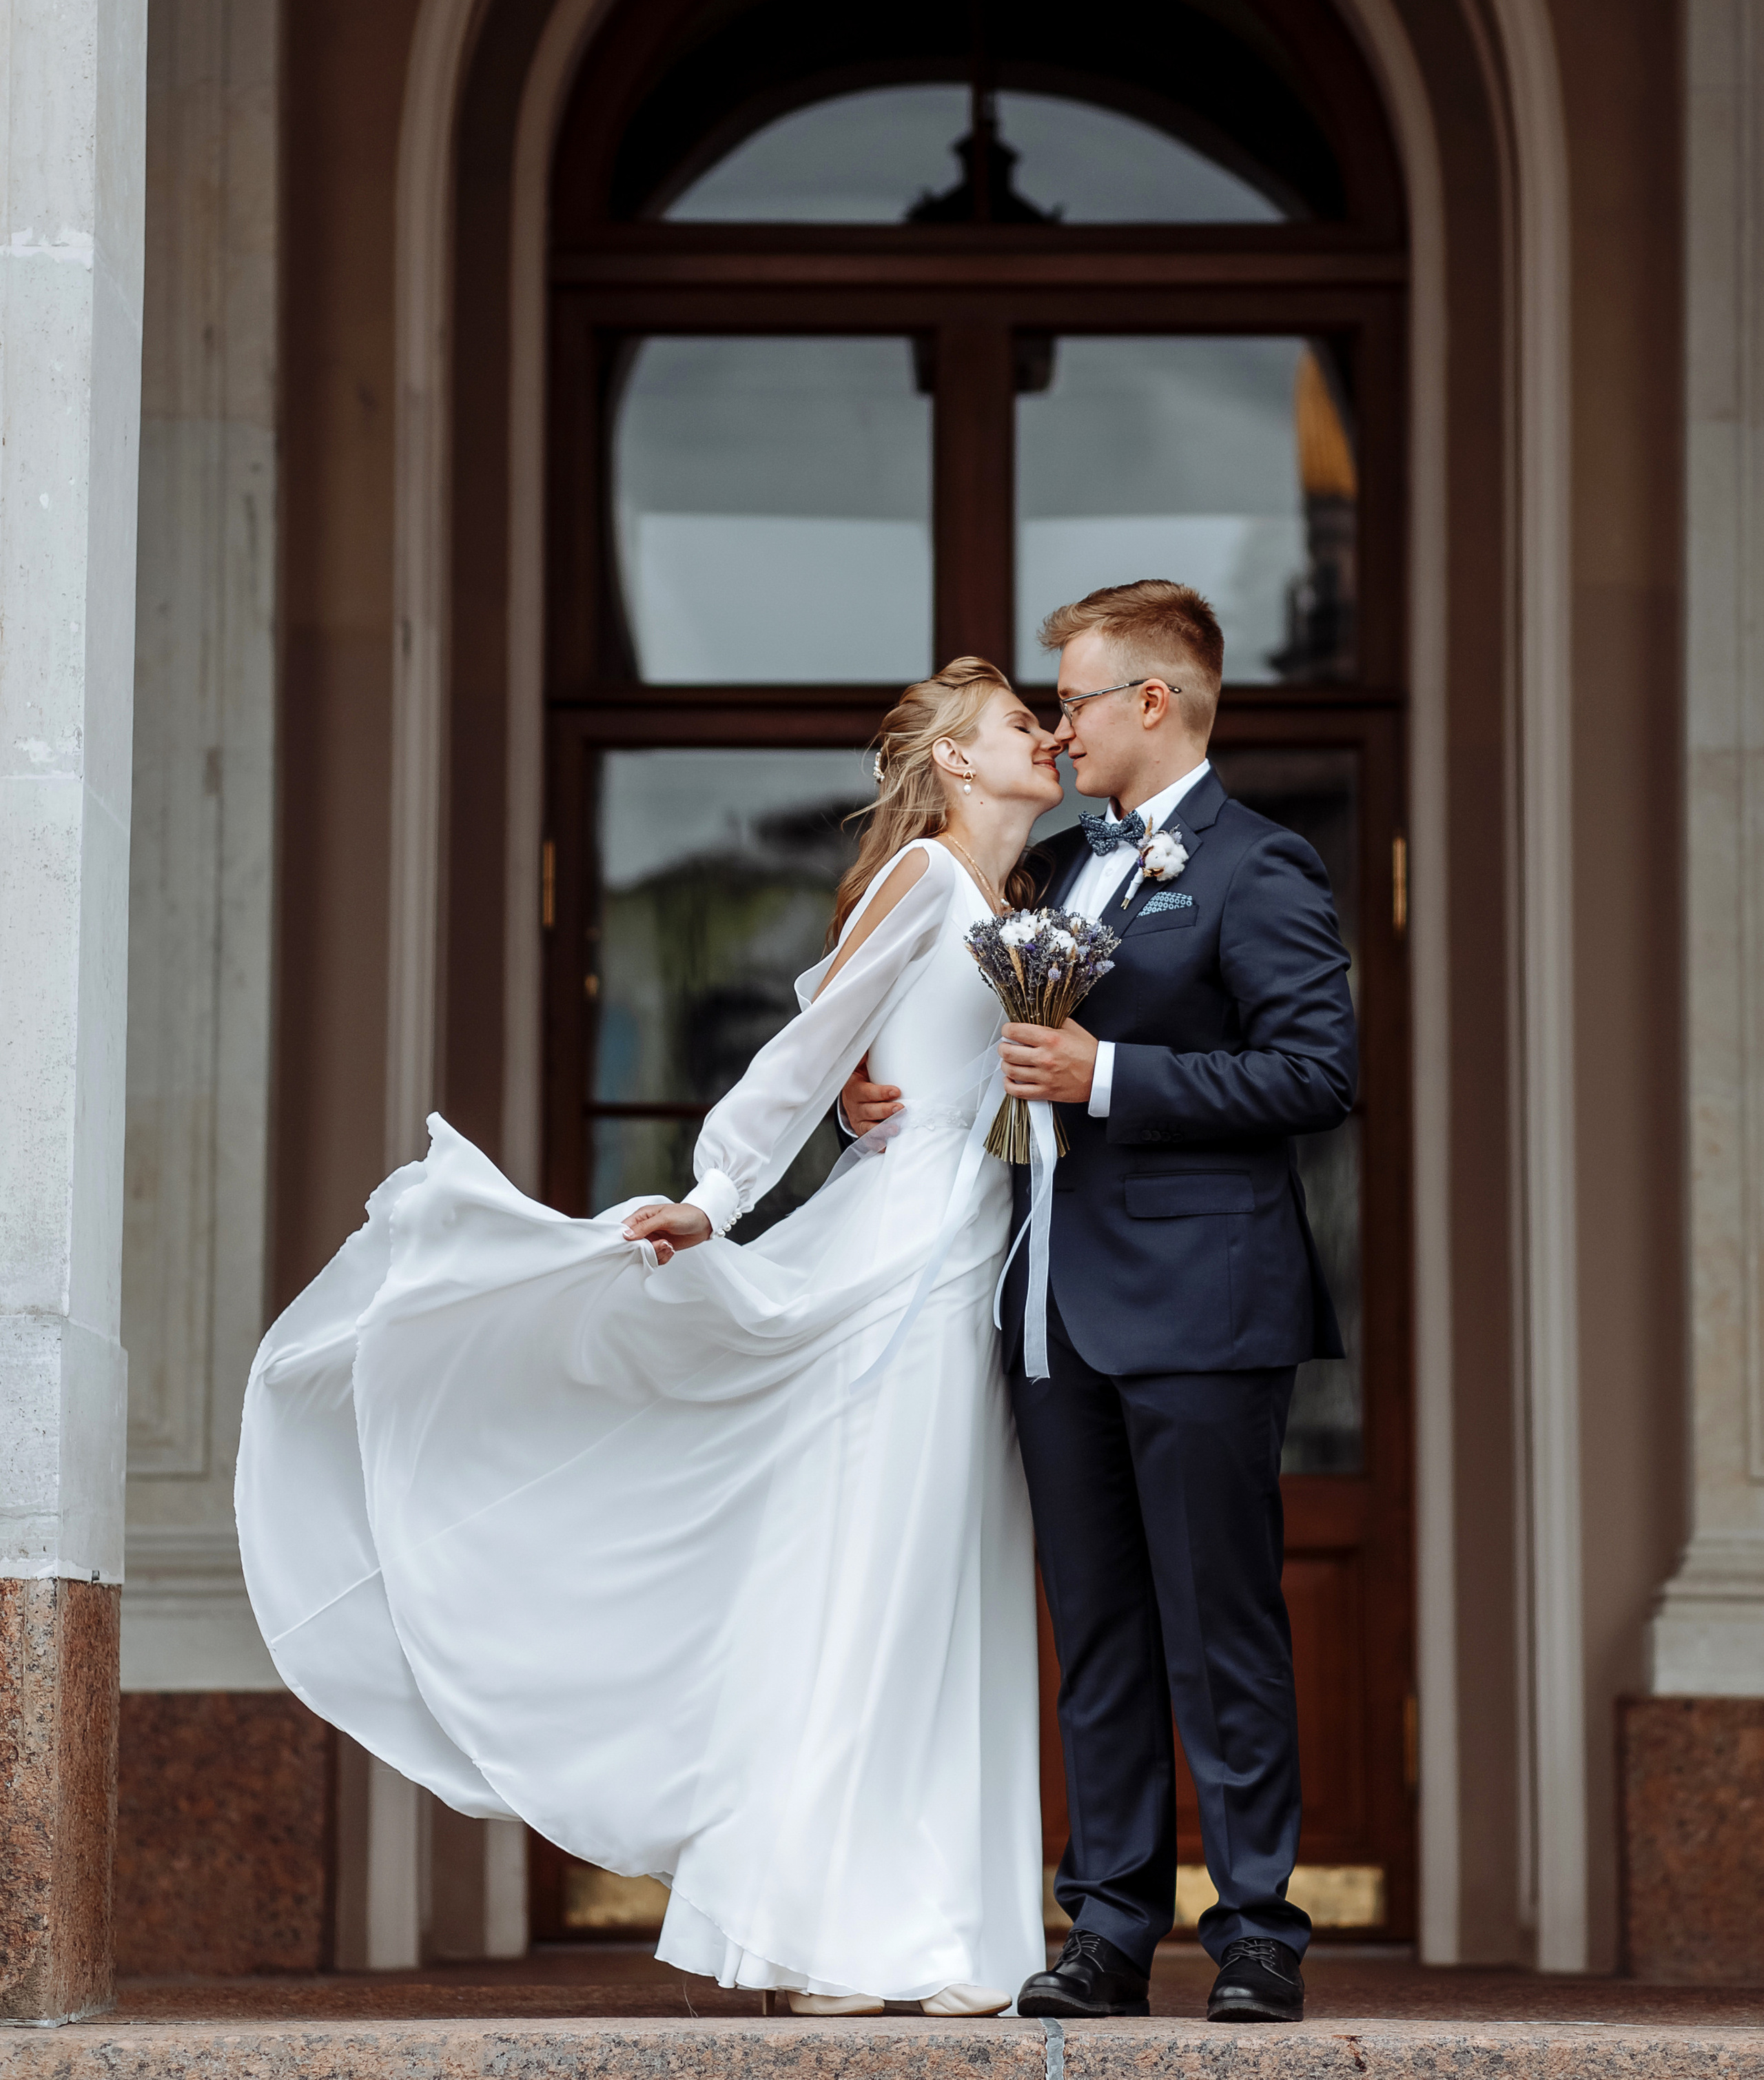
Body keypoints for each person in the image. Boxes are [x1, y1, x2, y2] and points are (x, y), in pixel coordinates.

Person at [236, 657, 1064, 2016]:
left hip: (975, 1252)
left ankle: (939, 1933)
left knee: (940, 1589)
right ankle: (829, 1941)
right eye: (1017, 727)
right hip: (899, 1266)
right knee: (879, 1587)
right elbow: (806, 1049)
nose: (1043, 738)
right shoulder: (925, 880)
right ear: (958, 765)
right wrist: (719, 1194)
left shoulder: (1011, 900)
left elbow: (905, 1045)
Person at [846, 580, 1355, 2025]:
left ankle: (1256, 1932)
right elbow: (963, 1032)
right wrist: (870, 1096)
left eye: (1071, 698)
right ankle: (1107, 1931)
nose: (1055, 725)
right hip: (1046, 1304)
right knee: (1100, 1632)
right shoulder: (1059, 861)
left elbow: (1315, 1075)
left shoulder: (1260, 868)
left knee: (1222, 1626)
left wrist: (1109, 1079)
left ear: (1154, 702)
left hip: (1203, 1306)